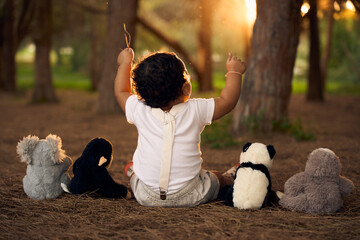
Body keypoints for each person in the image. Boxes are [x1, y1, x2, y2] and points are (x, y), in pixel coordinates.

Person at [114, 48, 246, 207]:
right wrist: (234, 72)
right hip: (191, 193)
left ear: (141, 93)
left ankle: (133, 172)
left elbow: (121, 91)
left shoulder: (138, 108)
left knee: (139, 178)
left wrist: (125, 63)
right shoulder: (196, 109)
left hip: (145, 194)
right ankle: (229, 178)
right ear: (186, 88)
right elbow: (227, 101)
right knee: (215, 177)